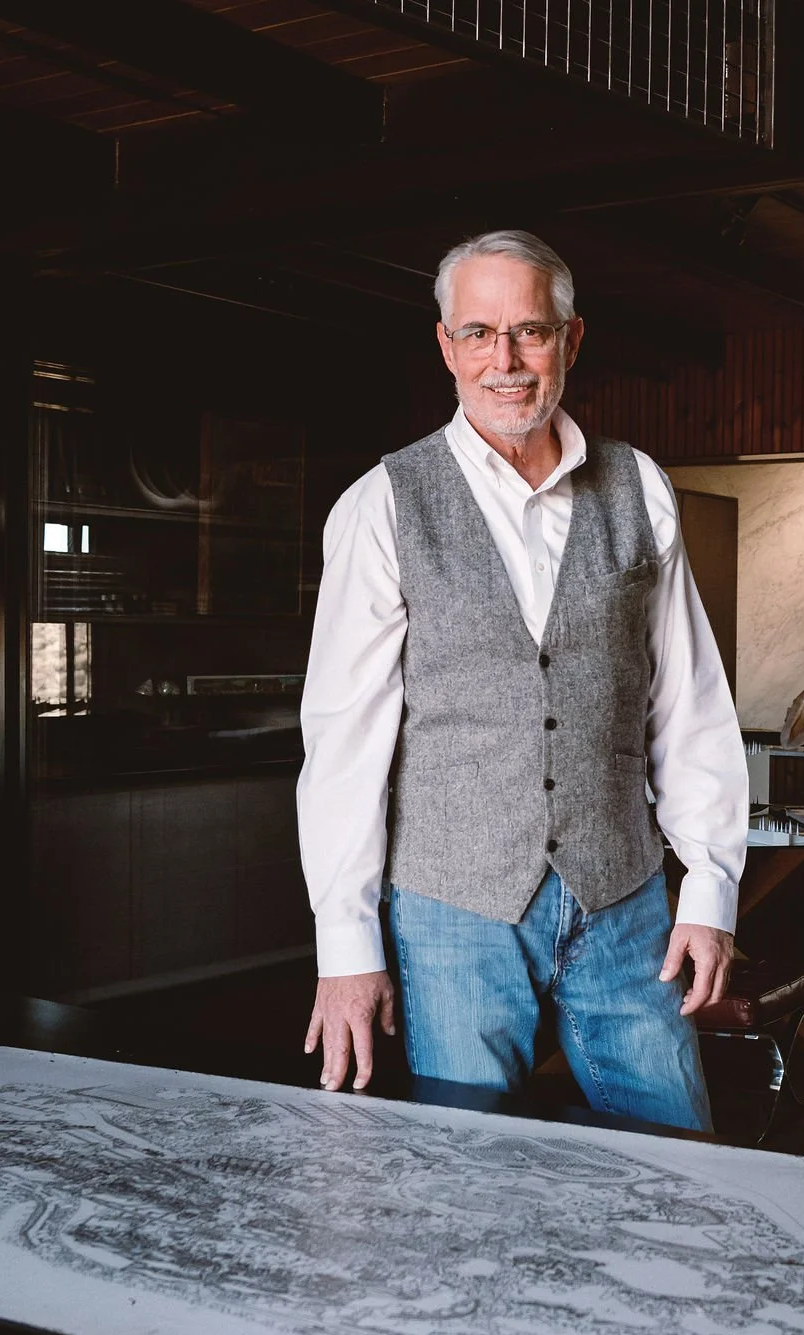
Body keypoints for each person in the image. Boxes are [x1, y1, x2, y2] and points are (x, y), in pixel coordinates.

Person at [297, 229, 747, 1131]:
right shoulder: (382, 503)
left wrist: (709, 888)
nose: (503, 360)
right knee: (469, 1178)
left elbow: (689, 704)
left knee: (683, 1160)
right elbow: (344, 741)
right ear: (446, 347)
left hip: (623, 900)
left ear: (571, 340)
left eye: (530, 331)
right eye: (477, 333)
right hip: (451, 904)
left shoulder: (641, 488)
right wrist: (345, 946)